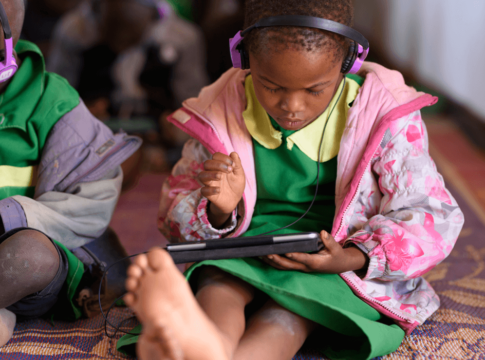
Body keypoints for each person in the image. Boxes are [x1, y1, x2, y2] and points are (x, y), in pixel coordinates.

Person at [120, 0, 464, 359]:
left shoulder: (385, 117)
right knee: (218, 280)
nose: (292, 106)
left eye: (315, 90)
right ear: (244, 60)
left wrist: (351, 257)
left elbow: (430, 214)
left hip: (336, 260)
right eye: (271, 86)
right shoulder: (219, 112)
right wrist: (218, 210)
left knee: (292, 309)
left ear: (348, 63)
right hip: (245, 246)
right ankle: (211, 343)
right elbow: (172, 208)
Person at [0, 0, 141, 347]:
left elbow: (93, 201)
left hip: (17, 265)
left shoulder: (54, 102)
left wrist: (13, 214)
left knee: (33, 256)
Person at [47, 0, 208, 120]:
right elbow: (54, 99)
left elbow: (193, 104)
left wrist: (180, 124)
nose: (121, 43)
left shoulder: (182, 39)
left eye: (130, 33)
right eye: (114, 29)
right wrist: (78, 113)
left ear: (151, 18)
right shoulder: (74, 33)